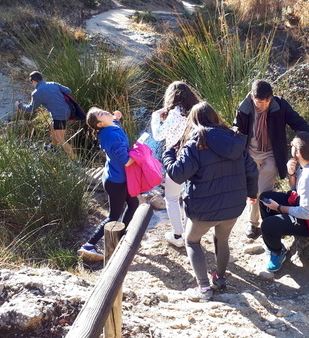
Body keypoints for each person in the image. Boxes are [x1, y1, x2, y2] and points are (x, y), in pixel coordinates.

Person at [162, 102, 258, 301]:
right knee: (222, 239)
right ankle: (220, 278)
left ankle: (204, 288)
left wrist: (168, 153)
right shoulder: (235, 140)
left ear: (194, 121)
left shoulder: (195, 144)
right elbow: (252, 170)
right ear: (215, 118)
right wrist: (252, 193)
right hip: (233, 205)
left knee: (191, 241)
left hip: (203, 208)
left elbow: (177, 175)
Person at [233, 79, 309, 239]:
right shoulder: (244, 108)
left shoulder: (280, 105)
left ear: (272, 97)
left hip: (271, 153)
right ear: (252, 97)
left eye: (267, 101)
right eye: (259, 101)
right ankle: (252, 223)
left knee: (264, 190)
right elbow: (237, 128)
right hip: (250, 153)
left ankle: (268, 223)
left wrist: (307, 141)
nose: (263, 105)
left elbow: (297, 122)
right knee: (253, 190)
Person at [259, 131, 309, 272]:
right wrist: (292, 174)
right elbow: (298, 190)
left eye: (292, 145)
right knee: (265, 198)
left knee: (267, 226)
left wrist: (279, 208)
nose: (290, 146)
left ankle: (277, 252)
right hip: (307, 207)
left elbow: (307, 213)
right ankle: (276, 235)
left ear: (298, 153)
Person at [78, 107, 139, 260]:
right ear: (99, 124)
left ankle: (120, 236)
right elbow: (127, 161)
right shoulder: (111, 136)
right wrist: (141, 152)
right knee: (113, 216)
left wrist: (116, 117)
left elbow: (115, 123)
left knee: (133, 204)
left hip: (117, 177)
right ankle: (89, 245)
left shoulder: (111, 127)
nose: (104, 112)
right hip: (116, 182)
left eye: (102, 110)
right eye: (101, 114)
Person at [151, 81, 200, 248]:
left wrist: (155, 117)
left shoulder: (174, 114)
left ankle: (178, 235)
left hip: (176, 159)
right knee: (188, 197)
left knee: (171, 198)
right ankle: (189, 234)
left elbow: (158, 135)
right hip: (194, 158)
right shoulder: (195, 112)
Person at [16, 71, 75, 159]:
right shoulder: (53, 84)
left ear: (33, 81)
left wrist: (20, 105)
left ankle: (74, 160)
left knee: (60, 139)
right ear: (42, 79)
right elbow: (69, 90)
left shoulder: (36, 93)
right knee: (52, 125)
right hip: (67, 111)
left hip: (59, 116)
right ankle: (53, 147)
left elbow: (30, 109)